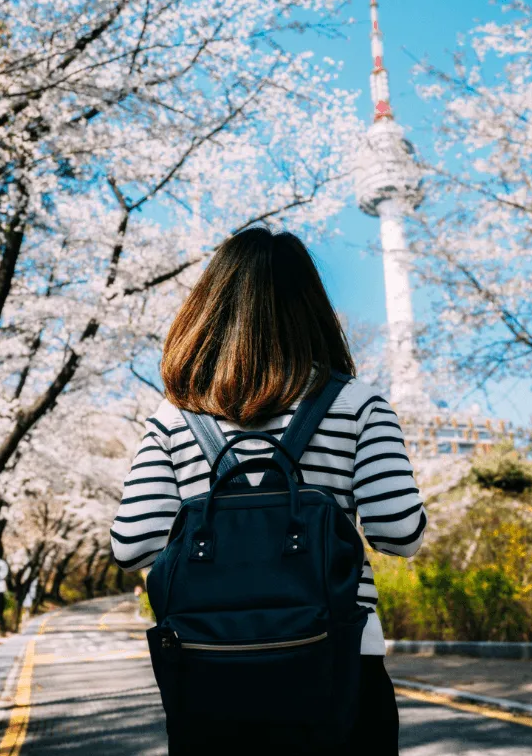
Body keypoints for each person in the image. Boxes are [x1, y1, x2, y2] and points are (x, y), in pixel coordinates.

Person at [110, 226, 427, 755]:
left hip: (210, 679)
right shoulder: (359, 404)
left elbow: (132, 547)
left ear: (209, 311)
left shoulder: (174, 417)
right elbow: (399, 535)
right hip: (341, 674)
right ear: (310, 308)